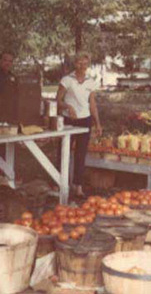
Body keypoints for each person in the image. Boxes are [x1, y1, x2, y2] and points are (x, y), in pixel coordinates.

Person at [57, 52, 102, 198]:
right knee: (63, 152)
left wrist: (98, 123)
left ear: (88, 65)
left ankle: (78, 187)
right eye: (79, 63)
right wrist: (68, 107)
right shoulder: (67, 80)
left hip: (85, 120)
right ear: (74, 63)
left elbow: (92, 104)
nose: (82, 66)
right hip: (69, 120)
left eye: (85, 63)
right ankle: (59, 183)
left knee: (81, 154)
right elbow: (57, 100)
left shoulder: (90, 82)